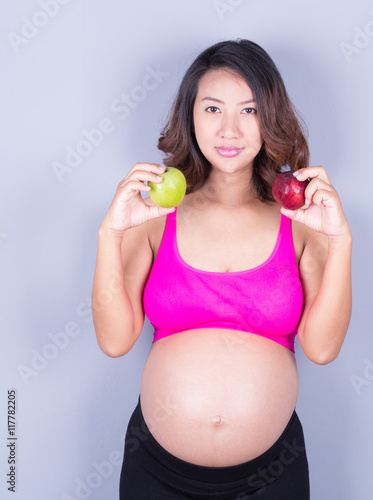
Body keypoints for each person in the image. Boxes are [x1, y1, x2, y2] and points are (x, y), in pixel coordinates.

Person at [92, 39, 352, 500]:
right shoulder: (155, 215)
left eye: (249, 111)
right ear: (190, 116)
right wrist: (109, 235)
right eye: (213, 109)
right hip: (156, 471)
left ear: (270, 118)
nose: (229, 129)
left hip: (272, 474)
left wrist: (340, 242)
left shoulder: (299, 221)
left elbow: (323, 348)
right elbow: (114, 341)